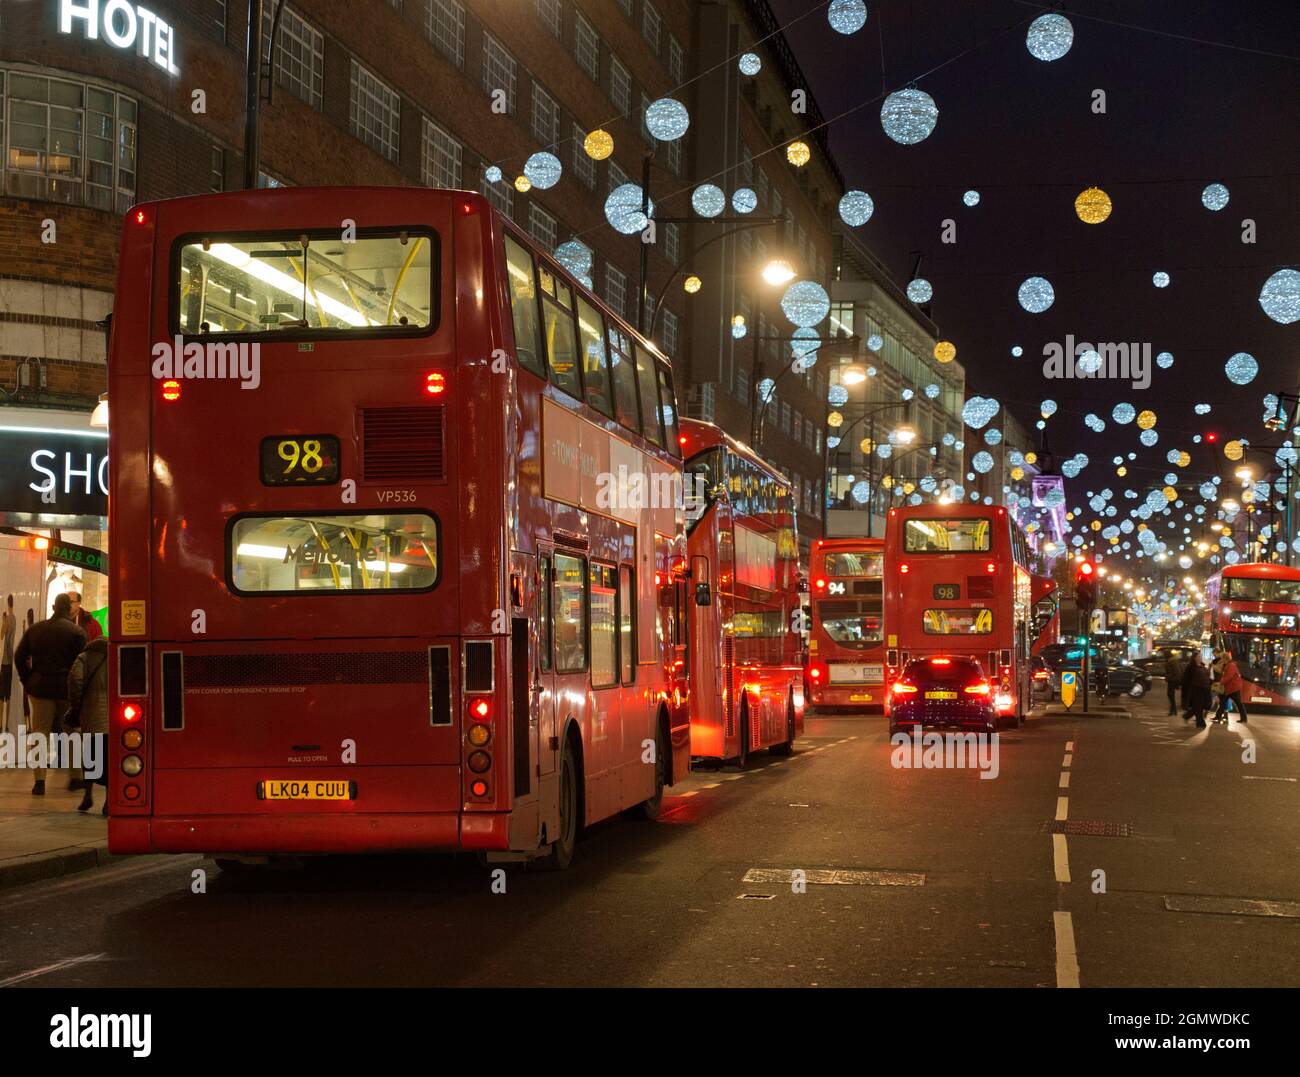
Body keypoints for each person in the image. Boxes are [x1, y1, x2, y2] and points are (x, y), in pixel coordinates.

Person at [13, 594, 86, 794]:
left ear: (54, 607)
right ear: (70, 609)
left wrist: (27, 678)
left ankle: (39, 782)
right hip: (66, 689)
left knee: (39, 735)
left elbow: (19, 656)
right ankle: (75, 777)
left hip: (41, 687)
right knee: (72, 734)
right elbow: (82, 665)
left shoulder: (35, 630)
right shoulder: (77, 632)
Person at [65, 634, 109, 814]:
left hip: (92, 713)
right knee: (110, 758)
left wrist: (77, 703)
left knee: (91, 755)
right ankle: (109, 801)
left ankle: (88, 795)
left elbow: (74, 679)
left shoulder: (84, 657)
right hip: (115, 715)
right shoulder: (117, 654)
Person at [1217, 650, 1248, 725]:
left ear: (1225, 658)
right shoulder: (1227, 665)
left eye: (1222, 658)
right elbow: (1224, 675)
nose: (1221, 660)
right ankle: (1217, 717)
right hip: (1229, 688)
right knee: (1223, 702)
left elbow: (1228, 677)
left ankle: (1244, 718)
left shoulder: (1231, 665)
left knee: (1238, 704)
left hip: (1233, 688)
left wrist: (1220, 683)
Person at [1185, 654, 1212, 728]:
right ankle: (1200, 722)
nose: (1200, 658)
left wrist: (1209, 668)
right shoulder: (1191, 667)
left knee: (1203, 705)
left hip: (1205, 688)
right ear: (1194, 658)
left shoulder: (1203, 665)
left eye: (1200, 657)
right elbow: (1186, 678)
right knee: (1198, 705)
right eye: (1198, 657)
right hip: (1196, 688)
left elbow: (1207, 675)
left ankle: (1187, 716)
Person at [0, 594, 15, 726]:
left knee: (3, 695)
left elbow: (1, 636)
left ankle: (2, 724)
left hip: (6, 661)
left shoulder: (9, 618)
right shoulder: (14, 618)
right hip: (9, 661)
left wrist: (3, 620)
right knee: (7, 694)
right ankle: (6, 724)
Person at [1163, 649, 1183, 716]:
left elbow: (1170, 672)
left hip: (1172, 680)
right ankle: (1173, 710)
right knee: (1171, 695)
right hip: (1175, 680)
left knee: (1170, 695)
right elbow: (1180, 670)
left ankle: (1173, 711)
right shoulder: (1175, 660)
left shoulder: (1170, 662)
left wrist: (1168, 678)